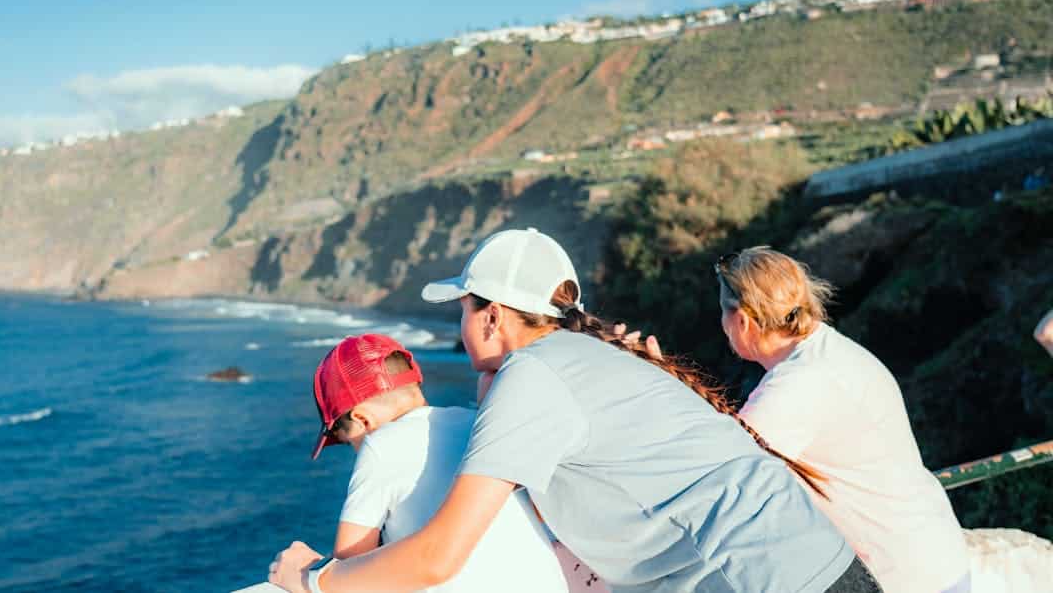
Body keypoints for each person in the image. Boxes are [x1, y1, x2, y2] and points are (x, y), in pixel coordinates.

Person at [269, 228, 878, 593]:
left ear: (491, 315)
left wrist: (315, 579)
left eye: (463, 306)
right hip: (817, 564)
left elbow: (439, 555)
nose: (459, 322)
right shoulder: (584, 358)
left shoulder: (531, 378)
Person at [715, 246, 971, 593]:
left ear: (742, 321)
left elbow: (716, 468)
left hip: (901, 577)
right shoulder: (828, 351)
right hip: (932, 555)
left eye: (722, 314)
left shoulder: (797, 384)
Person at [306, 333, 569, 593]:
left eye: (347, 439)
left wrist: (306, 571)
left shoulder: (382, 444)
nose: (355, 449)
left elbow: (348, 573)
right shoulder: (476, 422)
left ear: (363, 420)